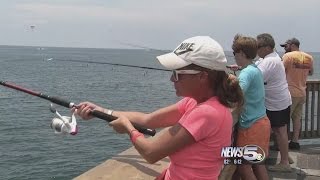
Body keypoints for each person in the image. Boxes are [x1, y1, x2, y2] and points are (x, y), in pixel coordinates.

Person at [74, 36, 244, 180]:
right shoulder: (195, 102)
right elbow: (148, 120)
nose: (171, 79)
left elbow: (151, 153)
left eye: (177, 74)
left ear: (202, 76)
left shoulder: (207, 113)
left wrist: (128, 128)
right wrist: (102, 111)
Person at [229, 34, 270, 180]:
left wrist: (231, 81)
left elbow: (235, 97)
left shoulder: (246, 73)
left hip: (251, 127)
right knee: (258, 164)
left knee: (244, 166)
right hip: (261, 122)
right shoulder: (254, 69)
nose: (234, 56)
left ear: (241, 53)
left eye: (235, 53)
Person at [255, 33, 293, 172]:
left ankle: (284, 163)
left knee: (280, 131)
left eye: (257, 47)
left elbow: (255, 77)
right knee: (280, 131)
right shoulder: (271, 58)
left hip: (276, 103)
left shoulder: (269, 61)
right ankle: (285, 155)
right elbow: (256, 68)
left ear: (266, 47)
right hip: (280, 100)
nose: (256, 49)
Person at [281, 38, 314, 150]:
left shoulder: (287, 56)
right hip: (302, 92)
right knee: (297, 118)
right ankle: (295, 141)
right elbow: (311, 72)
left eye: (286, 46)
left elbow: (280, 72)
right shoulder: (309, 57)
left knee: (283, 120)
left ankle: (281, 144)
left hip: (290, 93)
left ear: (293, 45)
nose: (285, 48)